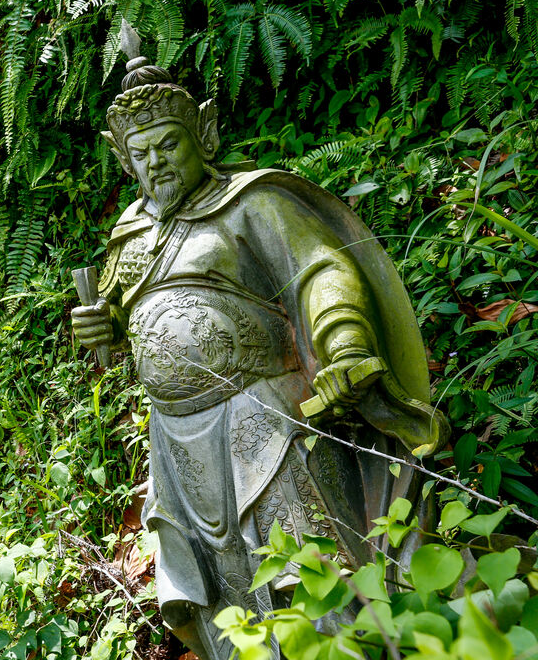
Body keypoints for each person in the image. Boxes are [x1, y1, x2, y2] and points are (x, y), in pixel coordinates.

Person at [70, 44, 448, 659]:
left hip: (261, 419)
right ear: (123, 160)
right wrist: (104, 329)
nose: (156, 163)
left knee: (304, 567)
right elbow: (120, 322)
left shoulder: (251, 205)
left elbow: (321, 270)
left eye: (169, 144)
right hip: (173, 437)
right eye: (140, 154)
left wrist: (345, 340)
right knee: (221, 586)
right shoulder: (130, 234)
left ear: (205, 135)